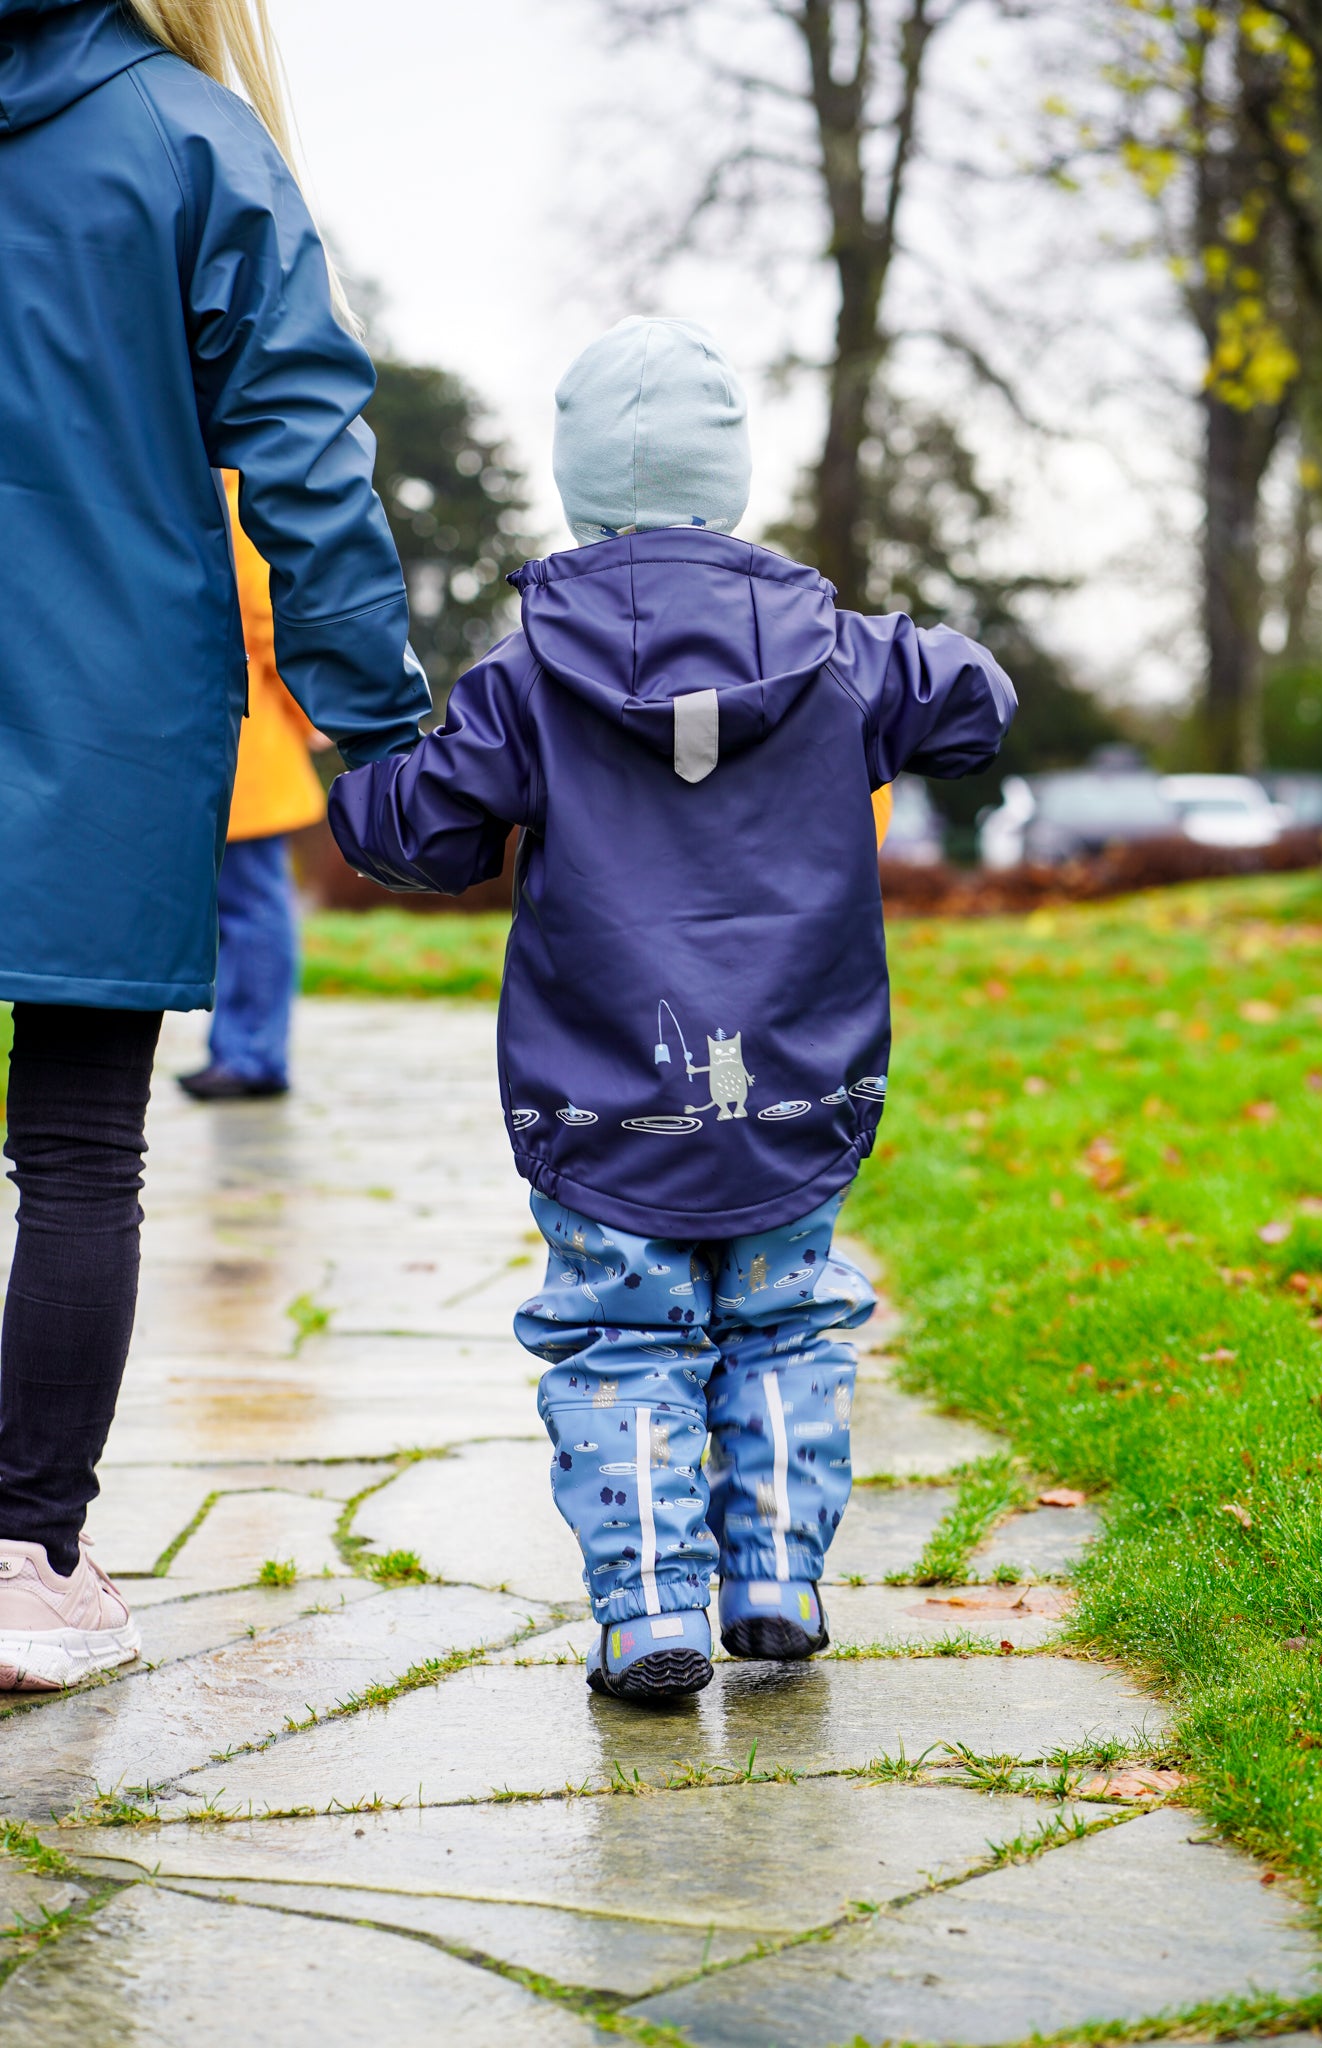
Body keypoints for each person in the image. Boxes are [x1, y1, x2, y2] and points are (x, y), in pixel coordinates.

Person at [330, 317, 1014, 1703]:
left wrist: (359, 768)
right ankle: (774, 1577)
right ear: (732, 481)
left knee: (619, 1337)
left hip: (604, 1094)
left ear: (579, 489)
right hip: (797, 1084)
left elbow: (425, 833)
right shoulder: (841, 653)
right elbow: (977, 702)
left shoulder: (529, 677)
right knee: (788, 1323)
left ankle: (648, 1608)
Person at [0, 0, 429, 1692]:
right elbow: (305, 452)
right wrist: (379, 729)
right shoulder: (190, 138)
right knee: (77, 1154)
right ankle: (28, 1560)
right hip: (100, 712)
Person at [179, 473, 327, 1102]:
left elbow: (267, 624)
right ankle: (238, 1050)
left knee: (251, 906)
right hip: (240, 736)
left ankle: (253, 1057)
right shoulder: (231, 491)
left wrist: (307, 715)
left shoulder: (226, 496)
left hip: (246, 738)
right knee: (243, 907)